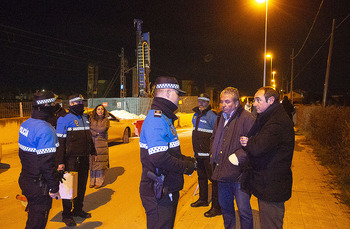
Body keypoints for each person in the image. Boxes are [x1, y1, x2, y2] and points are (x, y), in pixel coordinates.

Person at [139, 76, 196, 229]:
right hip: (159, 189)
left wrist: (188, 160)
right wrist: (185, 166)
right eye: (178, 94)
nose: (179, 99)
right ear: (169, 93)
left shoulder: (164, 118)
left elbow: (169, 152)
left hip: (166, 187)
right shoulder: (156, 119)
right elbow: (159, 158)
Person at [240, 87, 295, 229]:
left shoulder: (276, 122)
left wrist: (249, 142)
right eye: (254, 100)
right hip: (267, 183)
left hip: (272, 186)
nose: (254, 103)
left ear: (271, 100)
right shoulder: (269, 117)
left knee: (271, 224)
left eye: (258, 100)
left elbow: (257, 148)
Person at [210, 87, 255, 229]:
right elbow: (214, 139)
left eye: (227, 102)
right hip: (222, 174)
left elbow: (255, 143)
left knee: (244, 211)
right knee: (226, 209)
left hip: (239, 176)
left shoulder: (247, 118)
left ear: (236, 103)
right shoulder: (219, 118)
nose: (223, 104)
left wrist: (239, 157)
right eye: (222, 101)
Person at [18, 91, 61, 229]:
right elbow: (46, 164)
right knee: (37, 223)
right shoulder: (45, 129)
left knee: (32, 218)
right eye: (53, 103)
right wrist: (54, 187)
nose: (55, 106)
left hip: (26, 179)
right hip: (39, 185)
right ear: (46, 105)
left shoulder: (26, 124)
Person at [56, 94, 96, 227]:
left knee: (81, 185)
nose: (80, 104)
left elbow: (89, 137)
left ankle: (78, 209)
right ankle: (66, 215)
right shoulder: (64, 119)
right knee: (69, 188)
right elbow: (60, 143)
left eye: (81, 102)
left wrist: (93, 151)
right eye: (76, 102)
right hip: (71, 159)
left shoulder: (85, 117)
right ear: (70, 104)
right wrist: (60, 162)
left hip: (84, 158)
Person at [190, 93, 221, 217]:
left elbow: (218, 135)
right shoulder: (195, 115)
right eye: (199, 100)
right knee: (201, 177)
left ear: (208, 103)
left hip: (208, 155)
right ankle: (203, 199)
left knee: (213, 180)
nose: (201, 103)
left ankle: (216, 207)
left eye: (204, 101)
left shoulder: (212, 116)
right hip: (198, 154)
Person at [89, 104, 110, 189]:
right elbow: (90, 129)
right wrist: (95, 133)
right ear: (95, 111)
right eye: (98, 109)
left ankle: (99, 181)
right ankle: (92, 181)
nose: (100, 111)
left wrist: (94, 130)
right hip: (92, 142)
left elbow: (103, 129)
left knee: (100, 163)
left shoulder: (106, 120)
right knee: (92, 162)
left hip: (101, 143)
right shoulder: (92, 119)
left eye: (102, 109)